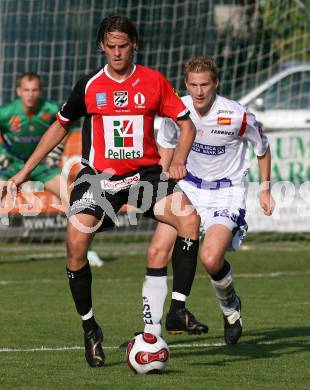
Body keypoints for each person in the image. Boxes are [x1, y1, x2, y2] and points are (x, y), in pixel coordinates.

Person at [6, 15, 202, 368]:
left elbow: (185, 124)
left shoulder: (154, 82)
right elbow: (59, 128)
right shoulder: (89, 85)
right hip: (98, 178)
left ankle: (177, 310)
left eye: (123, 46)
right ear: (101, 46)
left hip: (144, 175)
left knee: (189, 219)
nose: (116, 52)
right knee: (75, 243)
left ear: (134, 44)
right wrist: (23, 172)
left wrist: (179, 160)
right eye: (110, 46)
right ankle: (90, 328)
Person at [142, 56, 275, 345]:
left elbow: (262, 148)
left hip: (224, 193)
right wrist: (159, 184)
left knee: (211, 258)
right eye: (193, 85)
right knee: (156, 252)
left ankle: (230, 309)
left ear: (216, 83)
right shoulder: (177, 111)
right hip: (187, 188)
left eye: (204, 85)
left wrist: (265, 189)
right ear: (186, 84)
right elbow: (165, 147)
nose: (199, 92)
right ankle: (151, 332)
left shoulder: (237, 115)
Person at [0, 72, 104, 267]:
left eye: (35, 90)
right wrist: (1, 155)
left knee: (76, 201)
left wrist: (57, 149)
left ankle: (86, 251)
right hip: (12, 165)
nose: (31, 94)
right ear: (18, 92)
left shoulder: (50, 109)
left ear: (40, 91)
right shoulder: (6, 112)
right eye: (26, 90)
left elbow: (67, 124)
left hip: (41, 166)